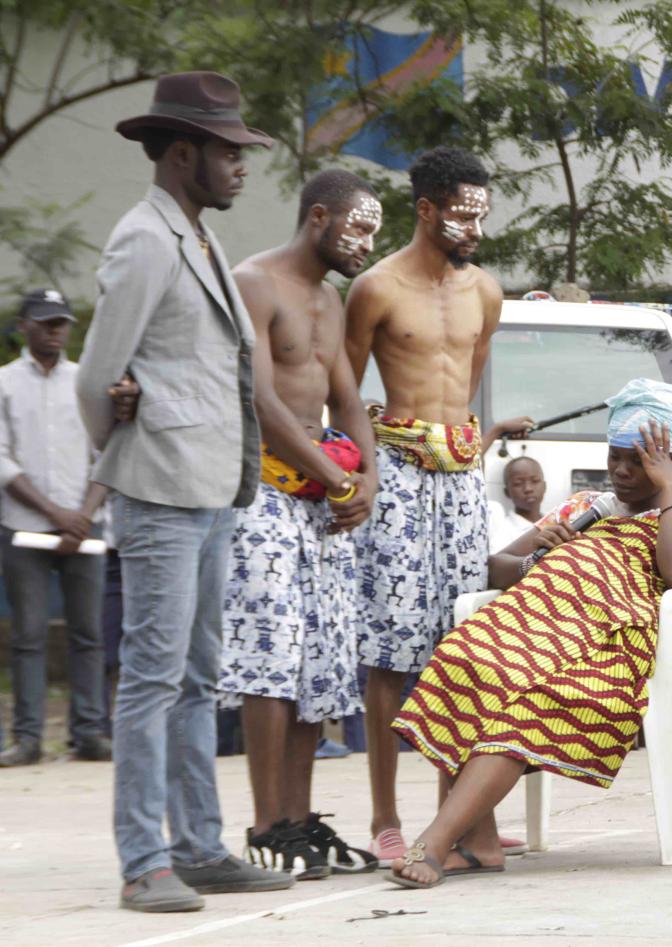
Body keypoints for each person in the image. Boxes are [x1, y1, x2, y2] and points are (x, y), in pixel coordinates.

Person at [75, 71, 293, 912]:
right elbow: (97, 376)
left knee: (199, 678)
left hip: (210, 491)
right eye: (226, 151)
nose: (241, 164)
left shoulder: (195, 236)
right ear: (179, 154)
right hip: (159, 489)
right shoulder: (143, 239)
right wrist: (125, 438)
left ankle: (199, 847)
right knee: (152, 680)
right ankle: (144, 860)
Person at [386, 380, 672, 888]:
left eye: (636, 461)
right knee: (464, 657)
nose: (620, 471)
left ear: (669, 459)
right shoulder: (586, 506)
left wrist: (670, 492)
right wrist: (538, 555)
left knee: (529, 700)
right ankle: (479, 844)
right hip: (541, 623)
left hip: (614, 643)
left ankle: (435, 844)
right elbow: (495, 567)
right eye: (614, 457)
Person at [344, 145, 510, 866]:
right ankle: (385, 817)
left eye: (481, 216)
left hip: (462, 477)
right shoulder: (375, 288)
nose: (475, 230)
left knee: (463, 643)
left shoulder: (486, 292)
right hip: (399, 478)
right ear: (425, 210)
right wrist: (360, 470)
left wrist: (457, 446)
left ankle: (460, 816)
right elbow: (344, 390)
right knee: (390, 649)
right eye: (463, 216)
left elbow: (467, 386)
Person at [216, 169, 383, 879]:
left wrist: (367, 477)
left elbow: (347, 399)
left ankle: (298, 820)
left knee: (322, 662)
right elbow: (258, 399)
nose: (365, 245)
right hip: (263, 497)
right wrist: (337, 475)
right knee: (271, 659)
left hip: (323, 505)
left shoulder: (332, 299)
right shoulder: (253, 282)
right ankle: (265, 826)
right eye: (358, 229)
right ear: (319, 217)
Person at [0, 289, 110, 767]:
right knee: (28, 636)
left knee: (89, 634)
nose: (54, 331)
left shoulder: (86, 382)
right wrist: (56, 514)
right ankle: (27, 739)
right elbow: (1, 459)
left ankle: (89, 734)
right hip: (23, 527)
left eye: (60, 323)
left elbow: (107, 454)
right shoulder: (4, 384)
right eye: (45, 323)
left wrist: (81, 515)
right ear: (23, 325)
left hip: (86, 527)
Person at [488, 455, 546, 552]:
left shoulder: (557, 521)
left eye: (535, 481)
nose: (528, 488)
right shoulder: (502, 531)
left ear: (544, 486)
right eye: (518, 483)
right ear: (507, 492)